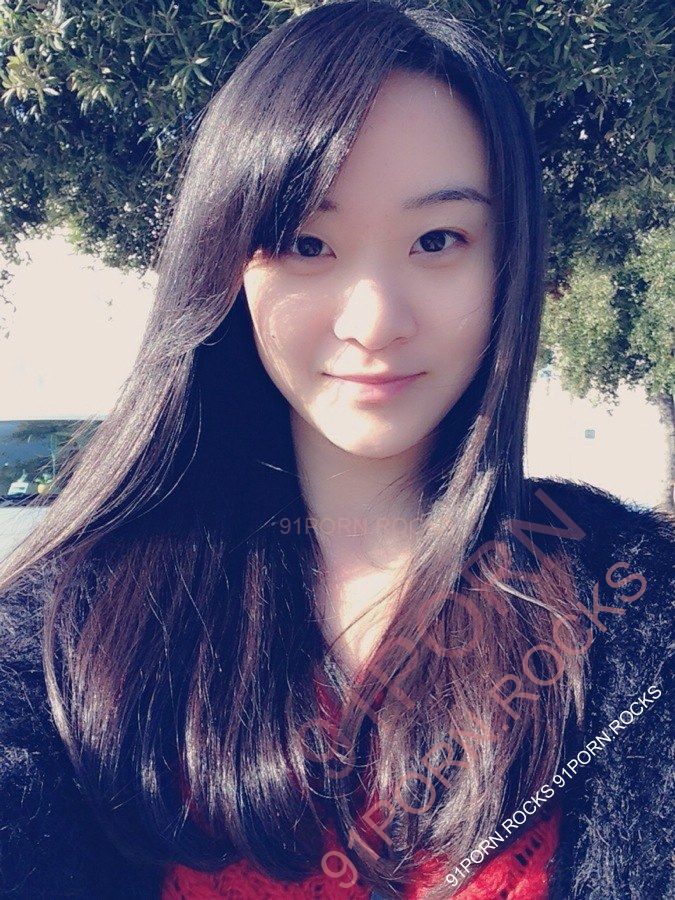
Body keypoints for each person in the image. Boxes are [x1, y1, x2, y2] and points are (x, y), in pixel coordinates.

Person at [0, 1, 672, 897]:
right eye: (307, 243)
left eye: (437, 240)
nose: (374, 321)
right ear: (228, 266)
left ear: (506, 261)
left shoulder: (624, 602)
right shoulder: (80, 624)